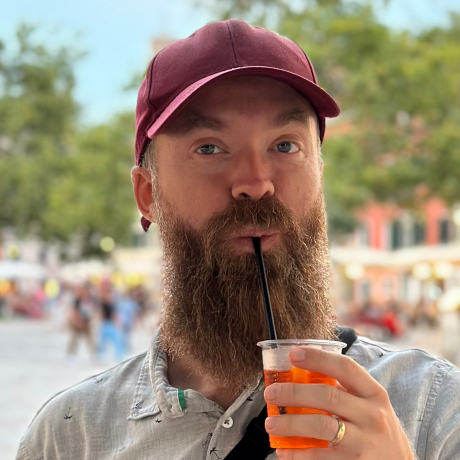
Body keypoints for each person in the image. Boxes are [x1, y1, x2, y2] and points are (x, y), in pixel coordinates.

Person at [16, 20, 459, 460]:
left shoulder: (436, 411)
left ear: (320, 175)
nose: (256, 183)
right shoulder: (69, 437)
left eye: (285, 146)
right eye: (209, 148)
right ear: (148, 195)